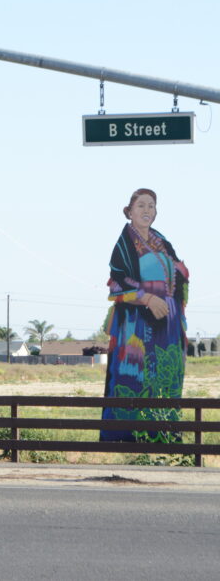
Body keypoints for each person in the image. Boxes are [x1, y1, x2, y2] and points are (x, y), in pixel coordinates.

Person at [101, 188, 189, 442]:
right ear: (129, 211)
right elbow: (117, 285)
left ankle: (165, 436)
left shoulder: (161, 241)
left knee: (166, 375)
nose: (147, 210)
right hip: (136, 326)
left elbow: (179, 273)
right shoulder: (124, 245)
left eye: (151, 205)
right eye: (141, 205)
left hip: (168, 324)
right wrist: (147, 298)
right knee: (136, 377)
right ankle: (128, 439)